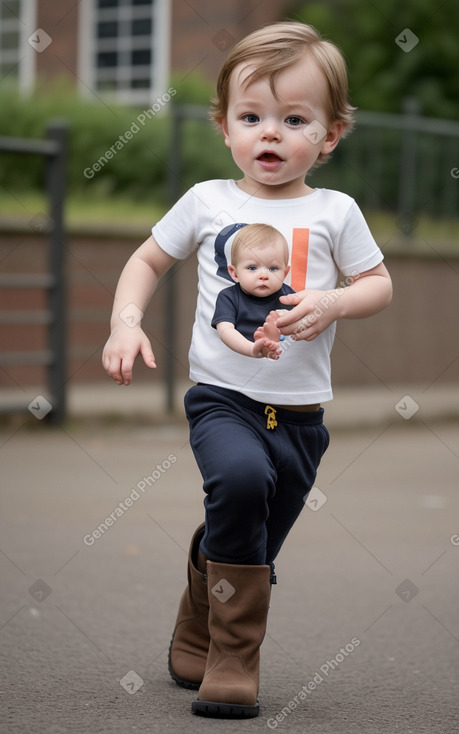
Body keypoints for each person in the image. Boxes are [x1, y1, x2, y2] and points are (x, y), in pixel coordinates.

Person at [102, 21, 393, 720]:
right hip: (221, 398)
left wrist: (333, 301)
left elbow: (377, 284)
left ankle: (201, 610)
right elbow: (146, 261)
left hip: (299, 416)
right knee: (238, 480)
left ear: (329, 135)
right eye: (251, 117)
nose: (270, 133)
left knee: (251, 533)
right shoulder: (207, 201)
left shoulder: (335, 211)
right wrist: (124, 320)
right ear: (223, 126)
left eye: (293, 119)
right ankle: (233, 659)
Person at [212, 222, 294, 360]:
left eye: (273, 269)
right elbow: (226, 330)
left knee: (294, 318)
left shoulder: (288, 296)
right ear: (234, 273)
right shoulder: (228, 297)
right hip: (237, 365)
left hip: (282, 366)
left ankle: (272, 336)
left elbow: (306, 319)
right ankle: (265, 342)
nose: (263, 275)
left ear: (285, 273)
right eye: (252, 268)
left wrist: (291, 316)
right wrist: (251, 349)